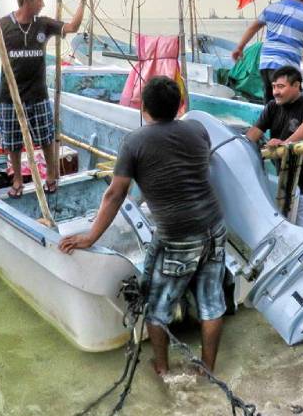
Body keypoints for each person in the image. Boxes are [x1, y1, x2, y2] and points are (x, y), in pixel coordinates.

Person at [59, 76, 226, 376]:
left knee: (157, 307)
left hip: (177, 237)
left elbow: (114, 194)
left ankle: (162, 369)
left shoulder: (134, 141)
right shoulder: (197, 129)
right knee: (211, 302)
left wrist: (90, 236)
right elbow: (188, 164)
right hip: (214, 226)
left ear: (144, 107)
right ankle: (208, 368)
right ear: (178, 107)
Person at [0, 0, 86, 197]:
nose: (42, 4)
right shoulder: (3, 25)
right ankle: (17, 179)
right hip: (10, 96)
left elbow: (72, 27)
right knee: (12, 141)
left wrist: (83, 1)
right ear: (27, 0)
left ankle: (51, 175)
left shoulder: (43, 24)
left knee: (46, 137)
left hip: (37, 95)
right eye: (39, 0)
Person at [245, 65, 303, 234]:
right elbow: (254, 133)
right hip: (283, 185)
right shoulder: (272, 107)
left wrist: (285, 143)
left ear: (296, 86)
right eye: (273, 87)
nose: (275, 92)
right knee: (283, 235)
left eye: (281, 87)